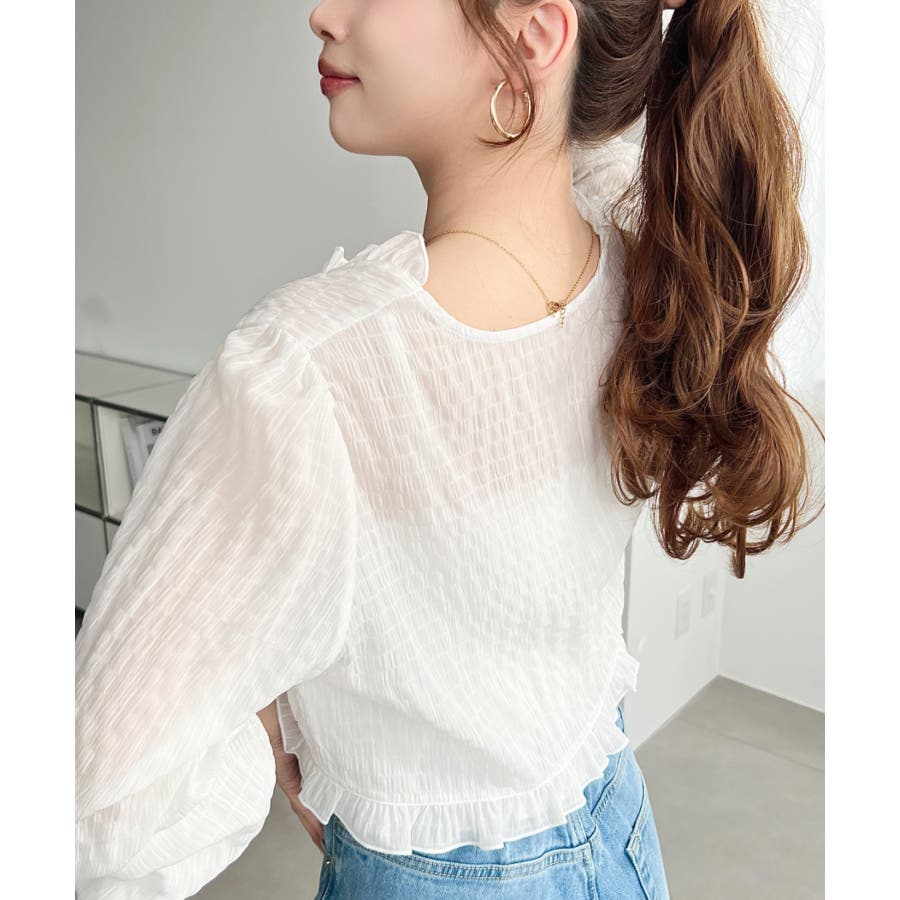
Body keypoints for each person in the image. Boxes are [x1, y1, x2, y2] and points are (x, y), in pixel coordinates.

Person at [75, 1, 824, 898]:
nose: (323, 14)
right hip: (618, 836)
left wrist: (257, 713)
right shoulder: (633, 267)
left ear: (534, 36)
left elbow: (97, 793)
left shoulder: (308, 371)